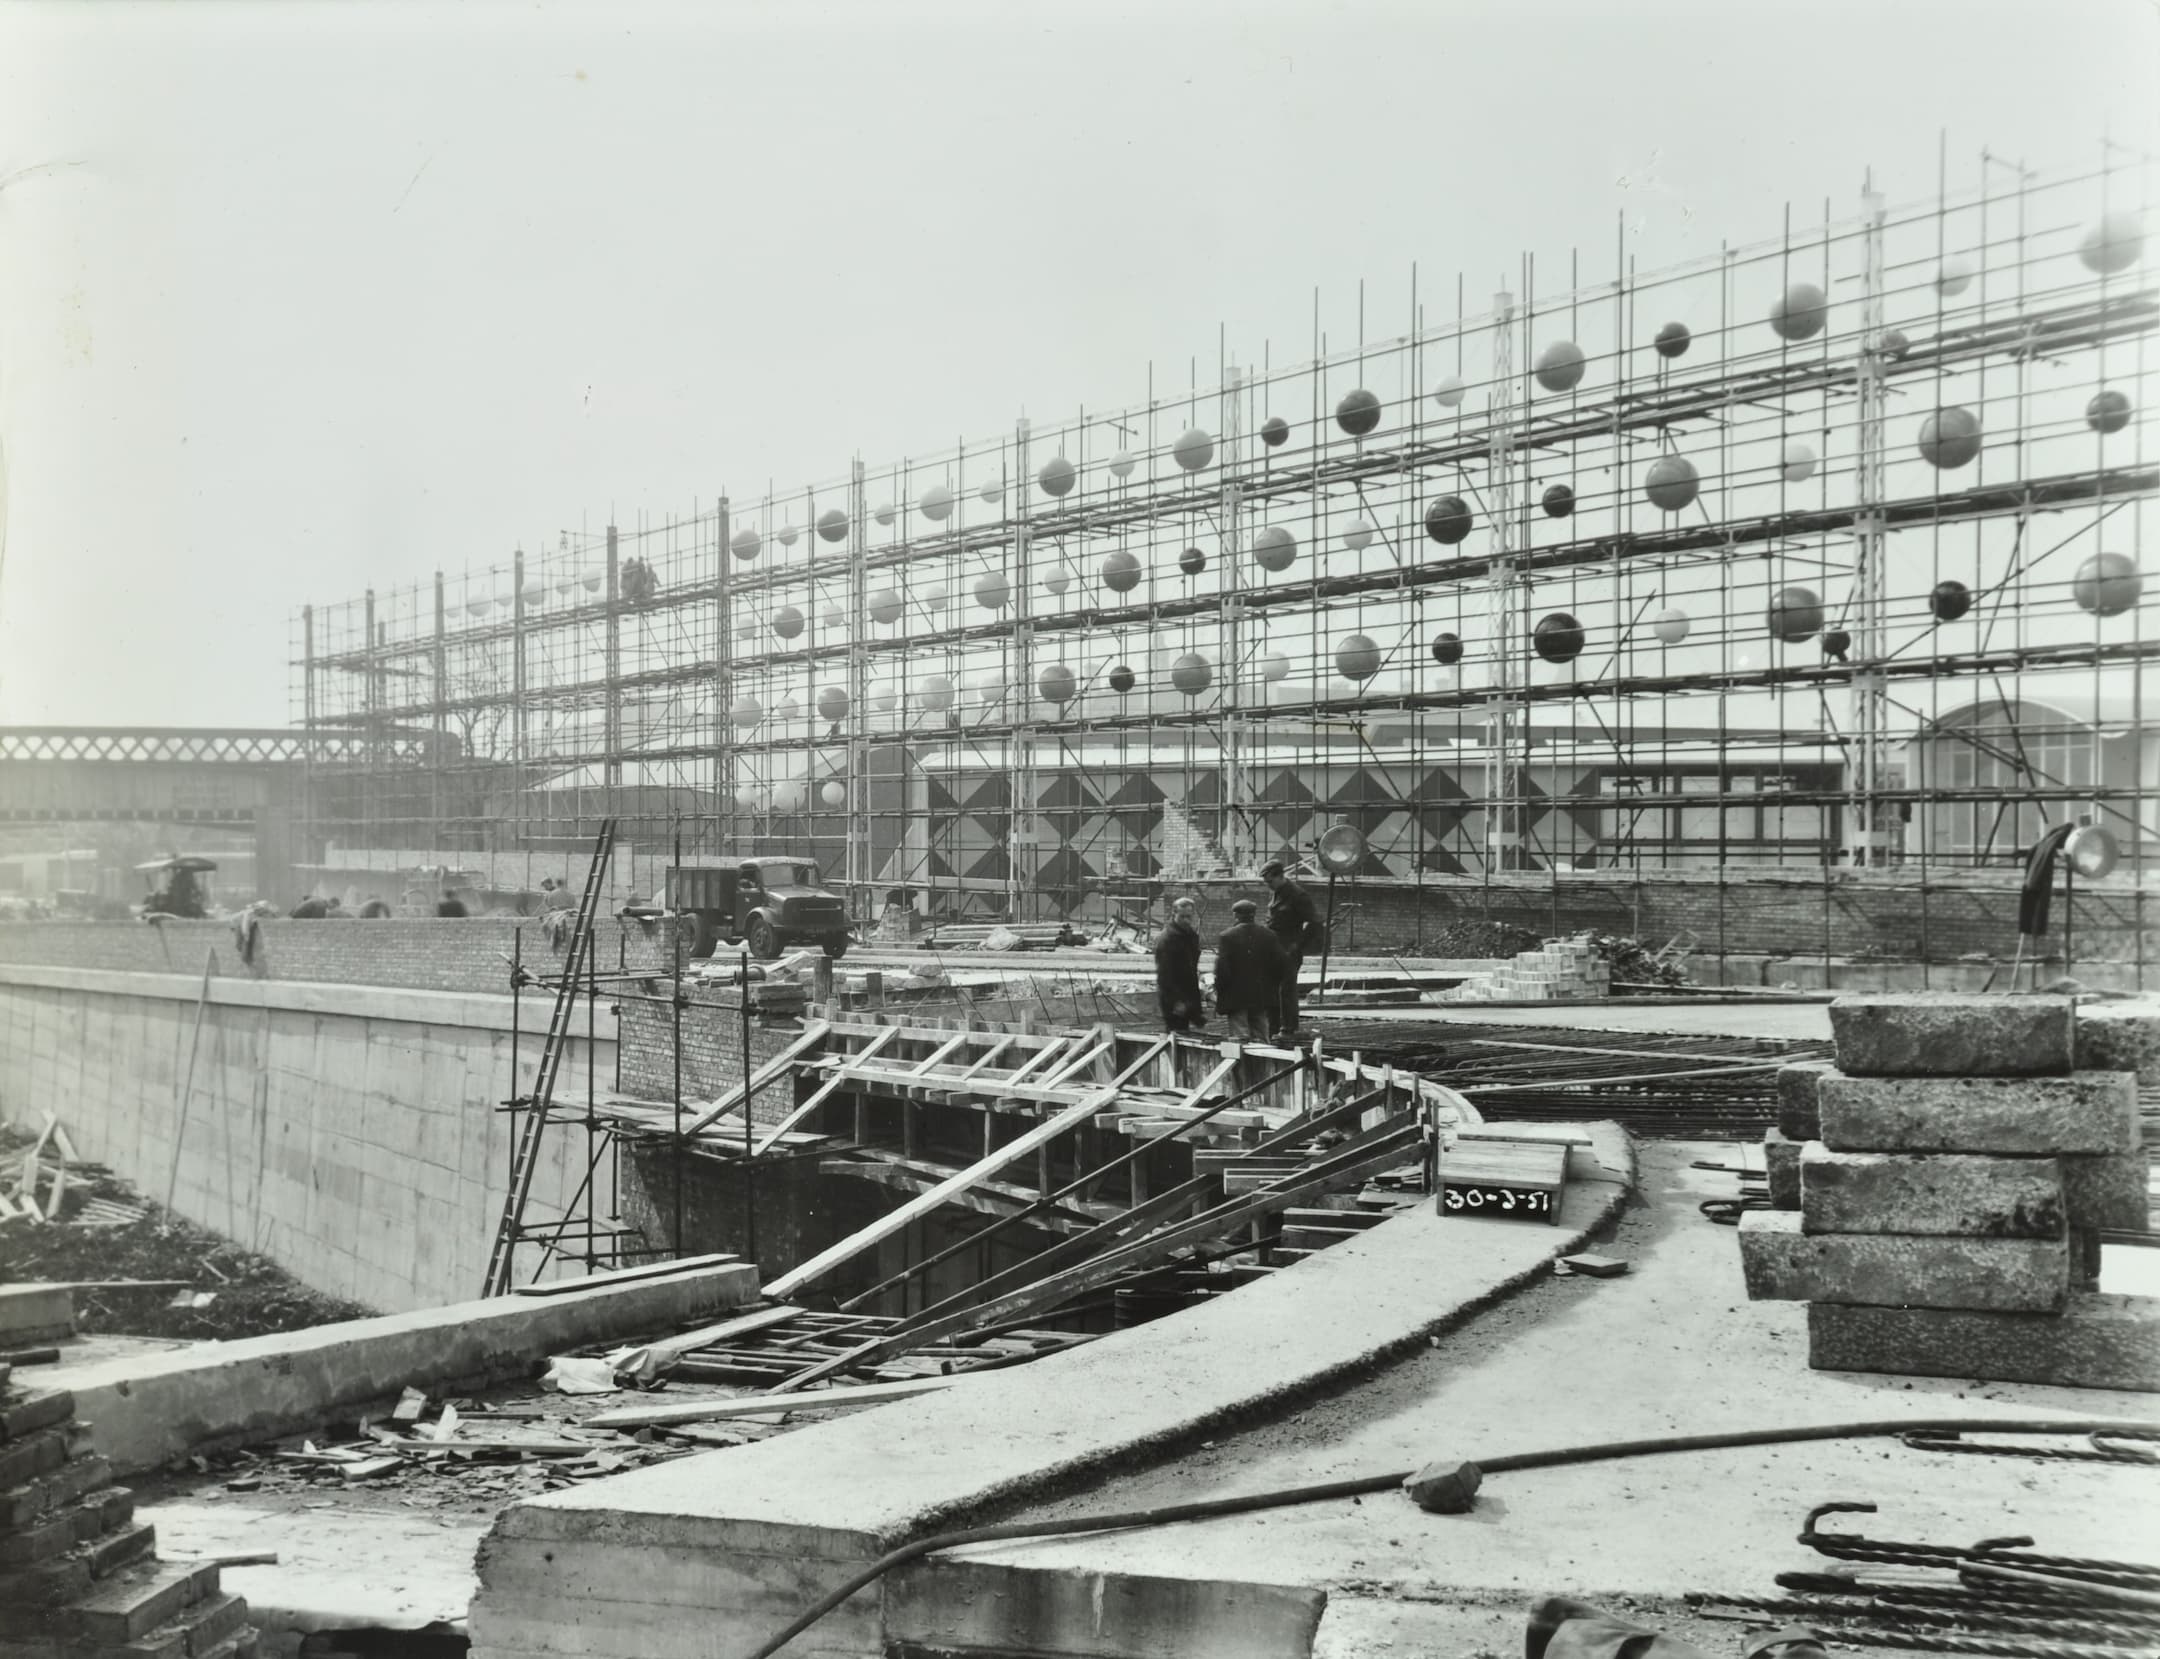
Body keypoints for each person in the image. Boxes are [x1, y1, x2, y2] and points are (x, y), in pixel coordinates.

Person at [1262, 858, 1322, 1036]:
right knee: (1271, 989)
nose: (1268, 886)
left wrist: (1297, 945)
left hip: (1289, 950)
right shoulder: (1277, 892)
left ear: (1280, 876)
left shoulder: (1298, 895)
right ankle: (1273, 1027)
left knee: (1286, 990)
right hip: (1273, 949)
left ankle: (1289, 1028)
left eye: (1270, 881)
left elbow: (1315, 923)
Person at [1213, 897, 1287, 1043]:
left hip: (1236, 996)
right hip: (1261, 995)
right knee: (1261, 1034)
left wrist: (1220, 989)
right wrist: (1271, 987)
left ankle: (1244, 1065)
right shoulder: (1269, 935)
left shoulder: (1227, 936)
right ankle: (1263, 1062)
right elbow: (1280, 965)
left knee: (1240, 1038)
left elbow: (1222, 970)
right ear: (1254, 914)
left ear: (1236, 915)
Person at [1152, 895, 1204, 1032]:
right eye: (1182, 917)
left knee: (1184, 1033)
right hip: (1174, 998)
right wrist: (1176, 1001)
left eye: (1189, 916)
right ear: (1174, 914)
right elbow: (1164, 975)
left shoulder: (1190, 936)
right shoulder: (1167, 939)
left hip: (1188, 994)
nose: (1186, 920)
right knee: (1175, 1035)